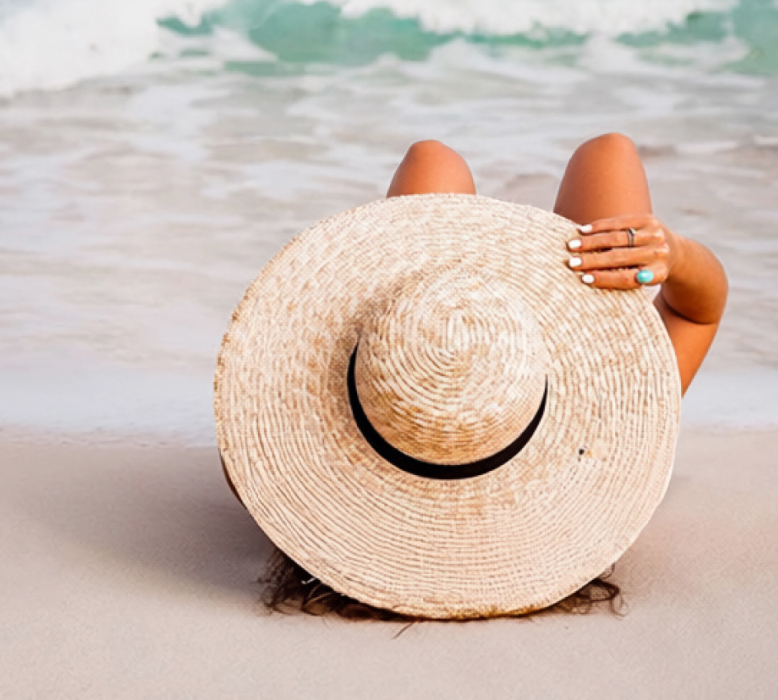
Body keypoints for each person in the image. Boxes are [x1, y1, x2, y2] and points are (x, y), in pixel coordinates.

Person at [253, 134, 728, 619]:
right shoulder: (616, 429)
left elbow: (696, 316)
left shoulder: (306, 513)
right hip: (507, 373)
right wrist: (676, 252)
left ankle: (431, 323)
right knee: (609, 153)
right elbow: (698, 312)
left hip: (432, 391)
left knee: (431, 159)